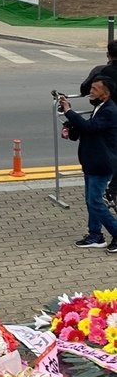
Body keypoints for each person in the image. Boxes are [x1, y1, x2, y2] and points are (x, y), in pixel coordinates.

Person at [59, 78, 117, 253]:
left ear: (105, 94)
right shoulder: (100, 108)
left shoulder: (109, 111)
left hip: (101, 164)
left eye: (95, 89)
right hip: (91, 162)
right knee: (90, 201)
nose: (90, 91)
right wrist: (70, 122)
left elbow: (90, 127)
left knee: (95, 201)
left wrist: (69, 111)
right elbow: (87, 129)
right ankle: (95, 236)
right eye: (91, 88)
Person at [80, 41, 117, 208]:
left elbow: (85, 89)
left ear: (108, 55)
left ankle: (110, 191)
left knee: (109, 155)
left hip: (107, 122)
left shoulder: (102, 71)